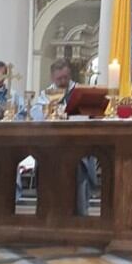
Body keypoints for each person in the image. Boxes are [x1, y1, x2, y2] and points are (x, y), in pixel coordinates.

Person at [29, 59, 98, 215]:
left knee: (77, 184)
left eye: (65, 77)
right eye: (59, 78)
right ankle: (50, 215)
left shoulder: (79, 91)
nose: (62, 81)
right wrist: (50, 110)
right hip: (51, 147)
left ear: (70, 75)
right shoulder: (46, 94)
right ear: (52, 78)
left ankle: (79, 216)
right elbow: (36, 114)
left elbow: (88, 113)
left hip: (76, 146)